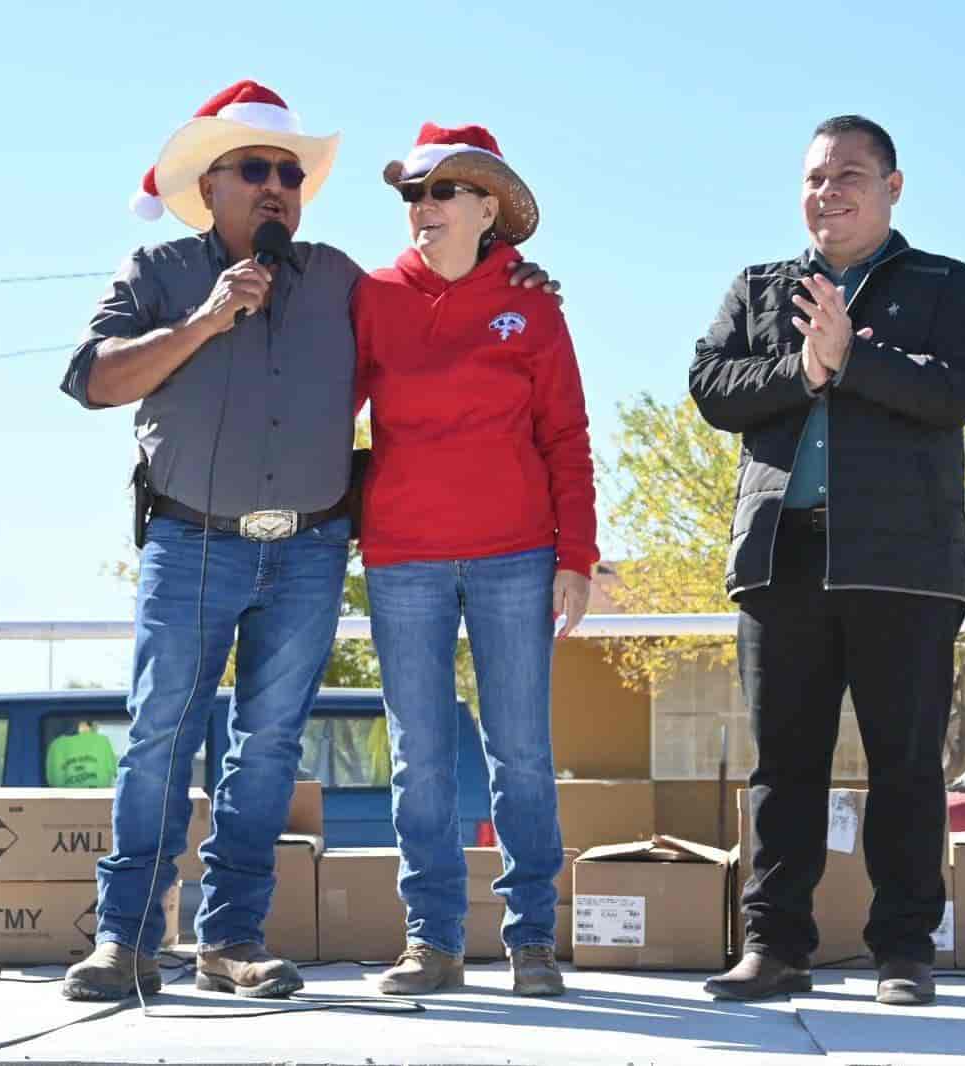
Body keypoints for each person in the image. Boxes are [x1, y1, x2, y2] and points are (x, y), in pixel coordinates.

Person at [58, 81, 554, 1002]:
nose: (278, 185)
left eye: (290, 171)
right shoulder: (157, 270)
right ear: (210, 186)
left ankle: (232, 941)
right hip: (191, 544)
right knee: (160, 737)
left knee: (270, 748)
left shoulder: (339, 281)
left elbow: (436, 309)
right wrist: (209, 319)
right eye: (256, 169)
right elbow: (93, 381)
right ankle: (123, 939)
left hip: (313, 551)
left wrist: (512, 273)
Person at [690, 115, 965, 1007]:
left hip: (903, 567)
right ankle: (774, 946)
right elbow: (712, 386)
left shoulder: (946, 285)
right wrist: (808, 371)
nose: (830, 192)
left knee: (906, 764)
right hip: (782, 557)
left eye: (850, 175)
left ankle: (904, 950)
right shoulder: (760, 287)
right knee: (784, 765)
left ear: (893, 187)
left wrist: (850, 357)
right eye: (816, 177)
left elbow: (953, 392)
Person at [352, 124, 598, 998]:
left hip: (516, 558)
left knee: (521, 752)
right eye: (411, 194)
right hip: (402, 557)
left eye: (441, 192)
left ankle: (532, 939)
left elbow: (566, 437)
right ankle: (434, 942)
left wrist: (578, 555)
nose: (422, 208)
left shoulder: (533, 306)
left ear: (488, 207)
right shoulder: (371, 296)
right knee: (420, 754)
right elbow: (320, 406)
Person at [46, 721, 117, 788]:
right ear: (93, 724)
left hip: (66, 799)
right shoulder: (102, 741)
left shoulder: (56, 744)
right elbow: (117, 772)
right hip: (99, 798)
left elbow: (52, 781)